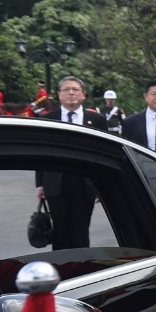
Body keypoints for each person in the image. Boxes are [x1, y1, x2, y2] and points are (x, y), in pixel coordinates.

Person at [33, 76, 103, 247]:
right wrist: (40, 184)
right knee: (60, 230)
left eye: (75, 89)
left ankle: (84, 267)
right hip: (56, 183)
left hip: (85, 183)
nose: (71, 93)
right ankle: (62, 268)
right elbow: (40, 153)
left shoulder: (96, 120)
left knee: (81, 229)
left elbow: (102, 154)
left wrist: (101, 185)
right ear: (59, 95)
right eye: (66, 90)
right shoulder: (47, 120)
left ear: (83, 95)